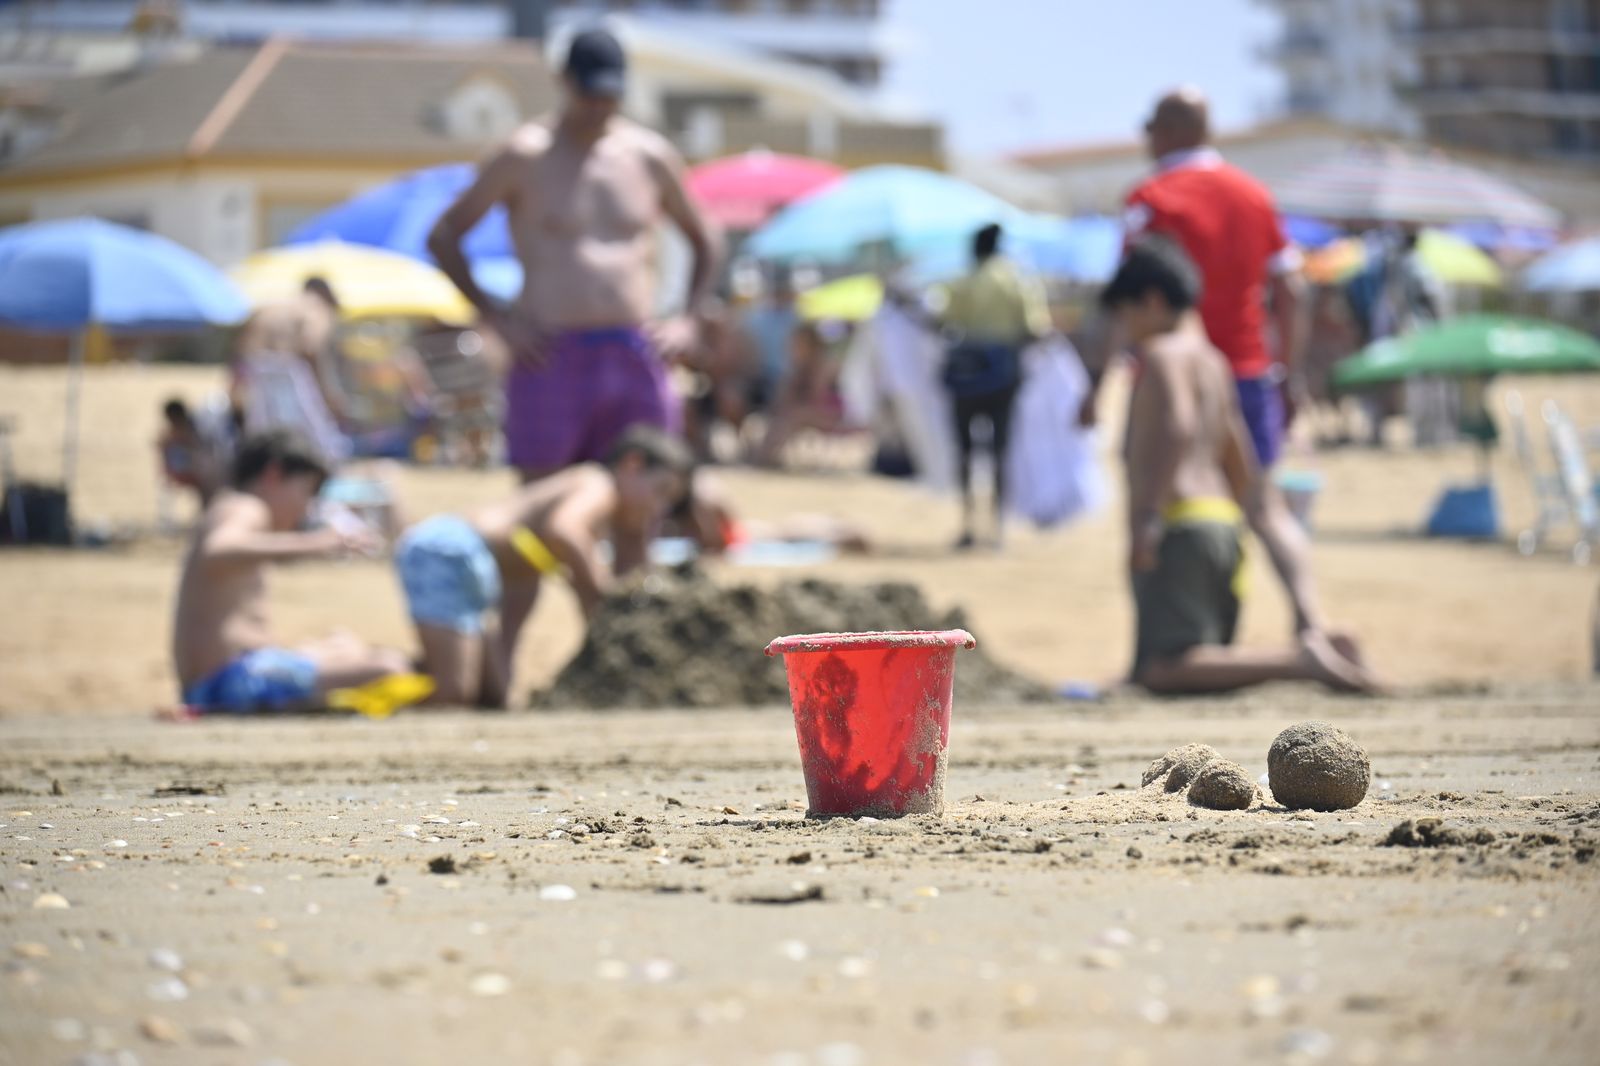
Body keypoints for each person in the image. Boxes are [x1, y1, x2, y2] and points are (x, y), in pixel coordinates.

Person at [1083, 87, 1326, 635]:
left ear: (1166, 130)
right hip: (1246, 372)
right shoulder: (1254, 194)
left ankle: (1158, 642)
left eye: (1148, 126)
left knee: (1148, 502)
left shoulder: (1151, 197)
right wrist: (1292, 373)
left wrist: (1095, 385)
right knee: (1265, 509)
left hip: (1170, 373)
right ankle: (1310, 620)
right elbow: (1293, 291)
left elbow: (1129, 297)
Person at [428, 26, 719, 483]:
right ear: (565, 82)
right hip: (550, 350)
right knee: (543, 494)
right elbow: (445, 236)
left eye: (610, 97)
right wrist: (497, 319)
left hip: (632, 347)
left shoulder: (649, 156)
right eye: (590, 96)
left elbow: (706, 238)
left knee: (646, 490)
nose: (600, 108)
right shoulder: (523, 156)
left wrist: (689, 318)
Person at [1104, 238, 1376, 694]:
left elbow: (1178, 423)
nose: (1126, 329)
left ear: (1151, 302)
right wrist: (1246, 514)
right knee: (1182, 657)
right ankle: (1322, 647)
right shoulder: (1213, 361)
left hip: (1180, 525)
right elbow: (1238, 449)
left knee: (1164, 669)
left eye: (1126, 315)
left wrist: (1149, 517)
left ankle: (1300, 660)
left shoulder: (1163, 353)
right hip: (1222, 525)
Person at [393, 425, 694, 708]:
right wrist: (604, 594)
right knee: (453, 693)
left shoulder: (526, 562)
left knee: (492, 697)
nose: (659, 508)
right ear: (632, 464)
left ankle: (393, 668)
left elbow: (510, 634)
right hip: (448, 549)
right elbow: (564, 530)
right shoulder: (596, 482)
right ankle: (362, 668)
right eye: (661, 491)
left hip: (470, 567)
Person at [172, 430, 412, 714]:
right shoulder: (246, 507)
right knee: (389, 668)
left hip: (234, 675)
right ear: (274, 475)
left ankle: (309, 698)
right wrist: (316, 543)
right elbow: (218, 548)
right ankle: (305, 704)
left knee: (343, 643)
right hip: (226, 684)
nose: (306, 507)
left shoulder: (233, 507)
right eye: (306, 491)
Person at [939, 222, 1050, 549]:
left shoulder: (962, 282)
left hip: (965, 376)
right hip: (1004, 375)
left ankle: (968, 524)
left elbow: (944, 323)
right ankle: (999, 528)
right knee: (1001, 450)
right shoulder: (1018, 281)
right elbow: (1035, 328)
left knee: (965, 451)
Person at [756, 322, 848, 467]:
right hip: (809, 411)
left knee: (794, 416)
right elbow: (784, 398)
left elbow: (816, 397)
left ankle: (764, 456)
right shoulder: (799, 366)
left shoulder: (824, 364)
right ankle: (764, 454)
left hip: (834, 414)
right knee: (783, 415)